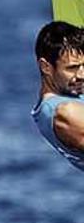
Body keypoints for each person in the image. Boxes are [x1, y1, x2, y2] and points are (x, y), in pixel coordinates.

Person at [32, 21, 84, 171]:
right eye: (72, 68)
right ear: (45, 67)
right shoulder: (64, 111)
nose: (82, 75)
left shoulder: (71, 92)